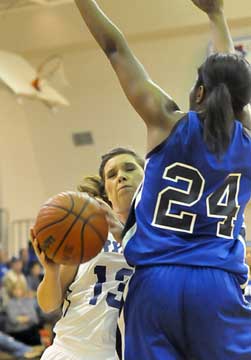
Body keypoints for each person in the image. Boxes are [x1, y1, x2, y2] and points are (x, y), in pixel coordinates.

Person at [74, 0, 251, 359]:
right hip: (217, 285)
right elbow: (233, 88)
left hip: (155, 284)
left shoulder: (166, 120)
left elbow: (114, 48)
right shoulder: (248, 141)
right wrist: (218, 16)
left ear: (199, 92)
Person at [31, 147, 144, 360]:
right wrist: (51, 271)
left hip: (116, 354)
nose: (121, 177)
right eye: (112, 175)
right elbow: (48, 305)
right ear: (106, 191)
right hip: (69, 349)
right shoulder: (87, 235)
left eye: (129, 168)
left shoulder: (161, 236)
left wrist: (124, 235)